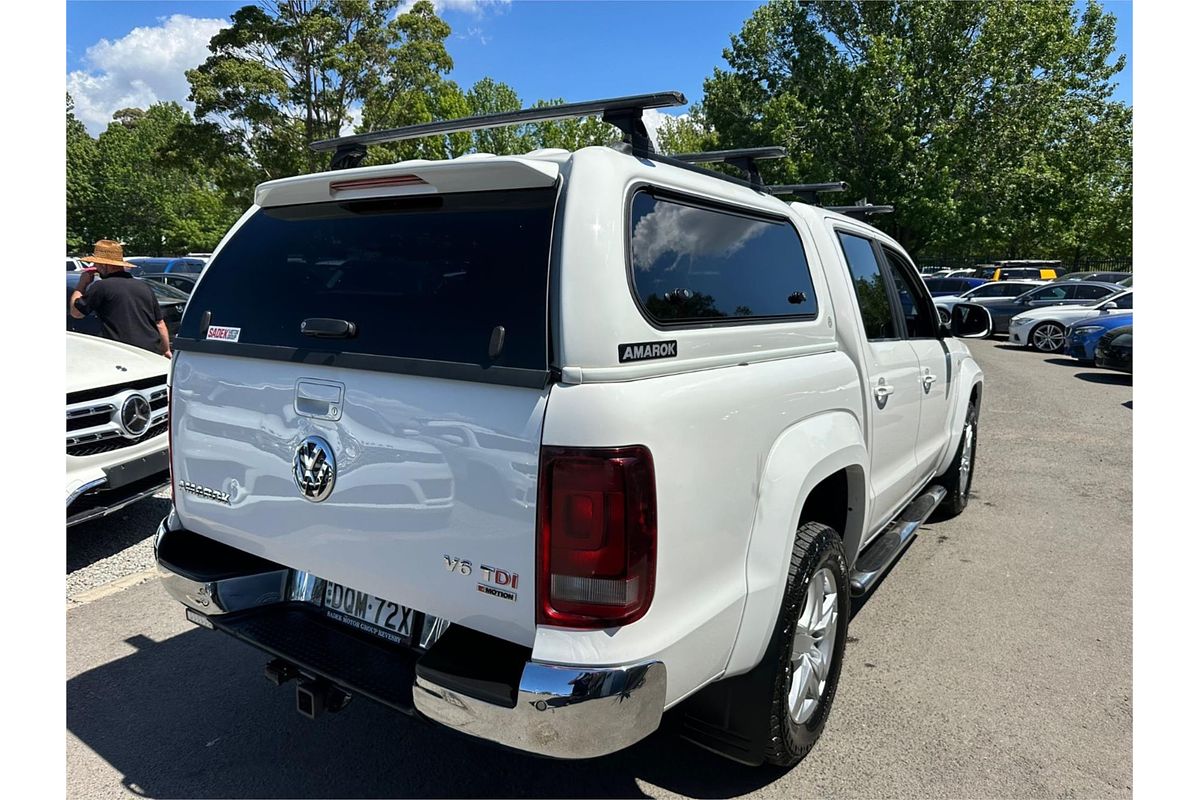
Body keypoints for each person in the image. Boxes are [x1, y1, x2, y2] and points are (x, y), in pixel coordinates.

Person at [70, 239, 172, 358]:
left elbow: (76, 312)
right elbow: (159, 323)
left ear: (104, 265)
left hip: (122, 353)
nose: (95, 267)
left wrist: (82, 284)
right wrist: (166, 350)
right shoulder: (144, 286)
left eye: (96, 264)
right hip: (150, 352)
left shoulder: (102, 287)